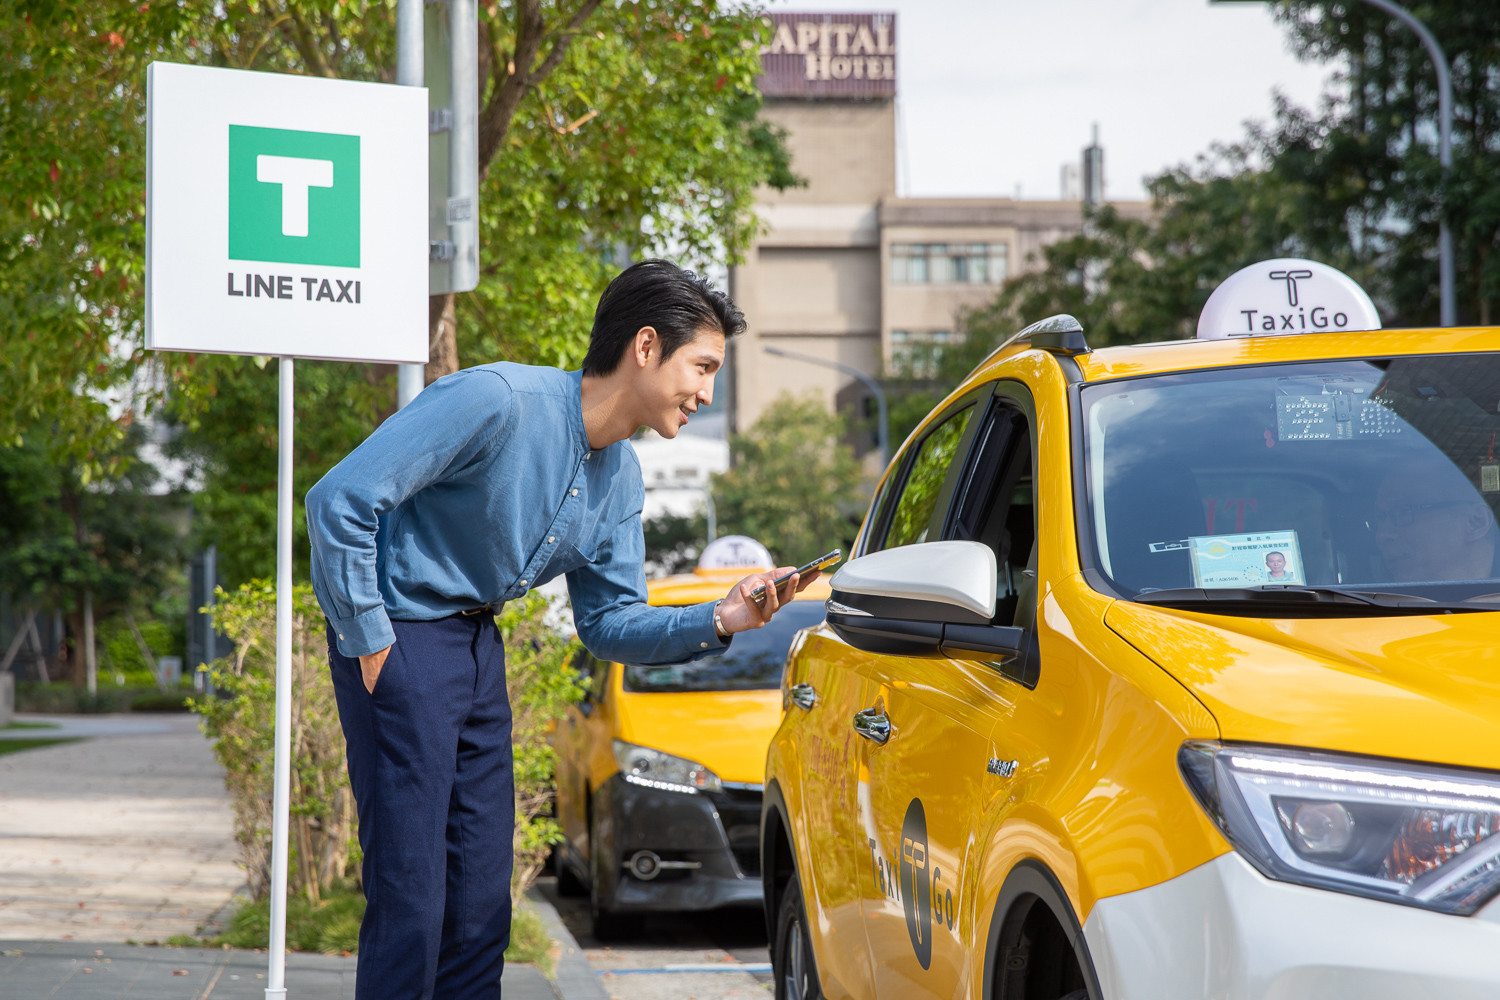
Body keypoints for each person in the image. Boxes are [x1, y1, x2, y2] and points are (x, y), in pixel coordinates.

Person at [304, 260, 818, 1000]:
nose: (706, 393)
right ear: (646, 346)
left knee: (482, 906)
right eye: (700, 367)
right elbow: (340, 500)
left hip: (480, 652)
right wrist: (371, 640)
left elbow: (609, 623)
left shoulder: (622, 479)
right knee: (412, 898)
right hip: (405, 638)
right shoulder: (497, 400)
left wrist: (724, 617)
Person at [1370, 463, 1498, 582]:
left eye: (1404, 512)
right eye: (1380, 517)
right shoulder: (1359, 600)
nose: (1382, 535)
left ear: (1476, 522)